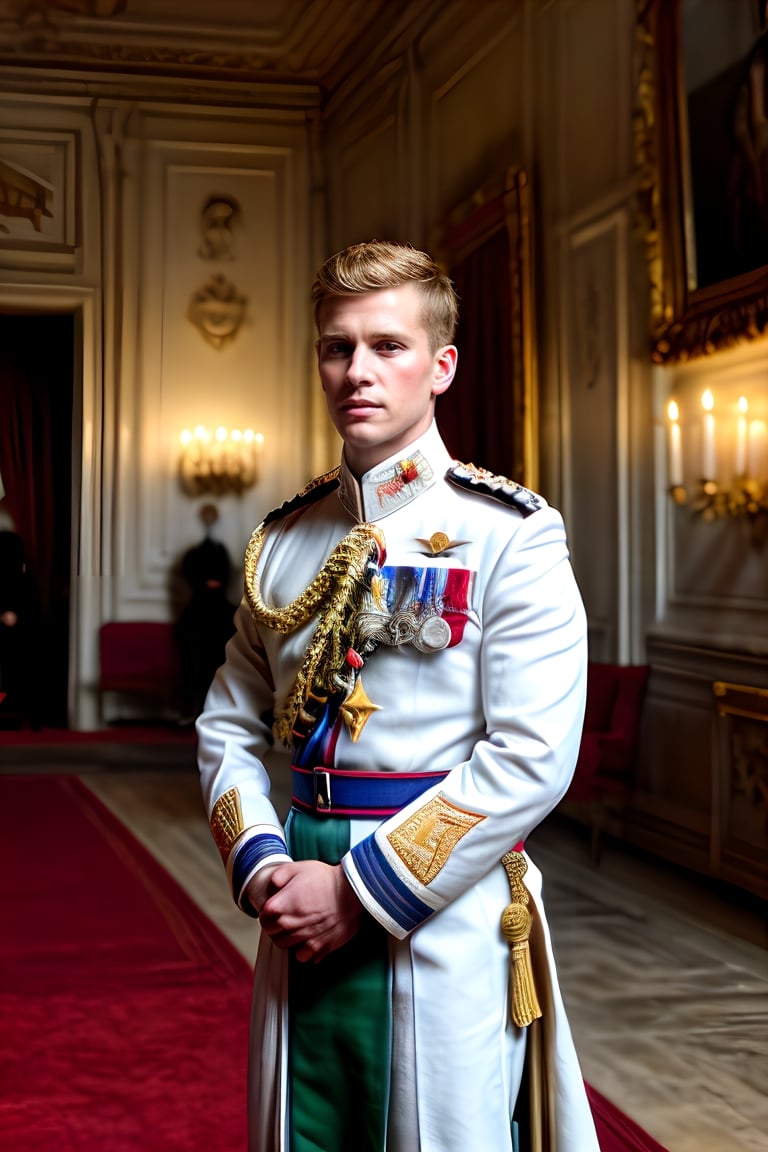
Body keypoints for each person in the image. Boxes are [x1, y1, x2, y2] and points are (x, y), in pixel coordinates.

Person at [196, 240, 600, 1152]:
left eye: (388, 345)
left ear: (441, 365)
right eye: (337, 348)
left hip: (439, 911)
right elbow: (227, 719)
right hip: (293, 898)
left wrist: (360, 890)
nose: (357, 371)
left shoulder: (513, 536)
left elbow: (533, 756)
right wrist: (263, 864)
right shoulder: (283, 540)